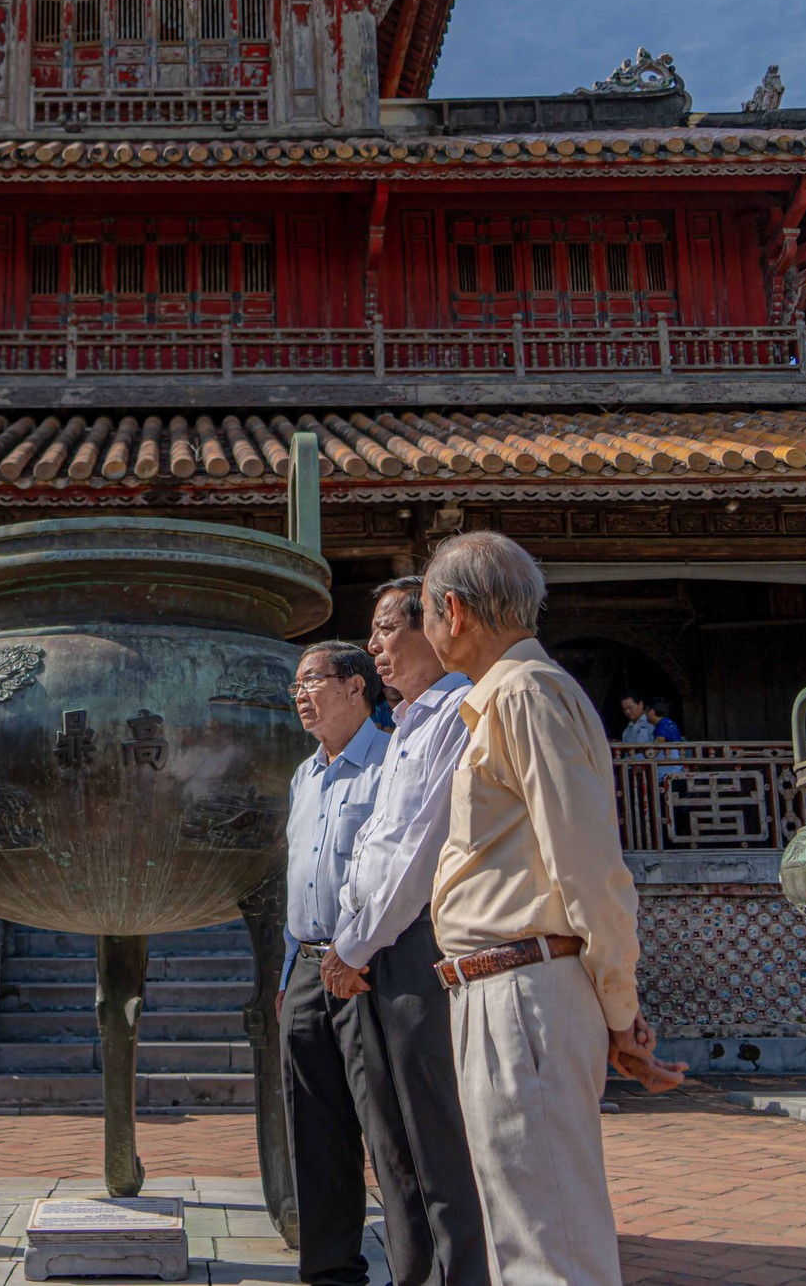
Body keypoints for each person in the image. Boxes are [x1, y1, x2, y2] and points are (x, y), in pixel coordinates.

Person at [421, 531, 686, 1286]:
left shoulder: (526, 692)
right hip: (498, 984)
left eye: (427, 616)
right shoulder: (507, 695)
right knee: (525, 1229)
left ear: (453, 610)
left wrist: (617, 1006)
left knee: (548, 1242)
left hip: (523, 984)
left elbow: (589, 865)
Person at [320, 578, 488, 1286]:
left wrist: (353, 945)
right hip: (369, 947)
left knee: (435, 1129)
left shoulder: (456, 713)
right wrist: (351, 942)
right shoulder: (406, 724)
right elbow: (374, 848)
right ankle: (413, 1270)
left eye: (388, 627)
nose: (375, 644)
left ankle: (461, 1273)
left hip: (415, 939)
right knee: (390, 1134)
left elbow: (419, 850)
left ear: (434, 626)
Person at [280, 641, 393, 1286]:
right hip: (307, 964)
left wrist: (359, 951)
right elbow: (295, 880)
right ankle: (330, 1271)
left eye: (313, 680)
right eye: (295, 685)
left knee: (383, 1123)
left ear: (355, 687)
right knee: (315, 1129)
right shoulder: (305, 775)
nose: (301, 694)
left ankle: (414, 1264)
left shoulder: (389, 763)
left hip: (367, 963)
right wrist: (285, 974)